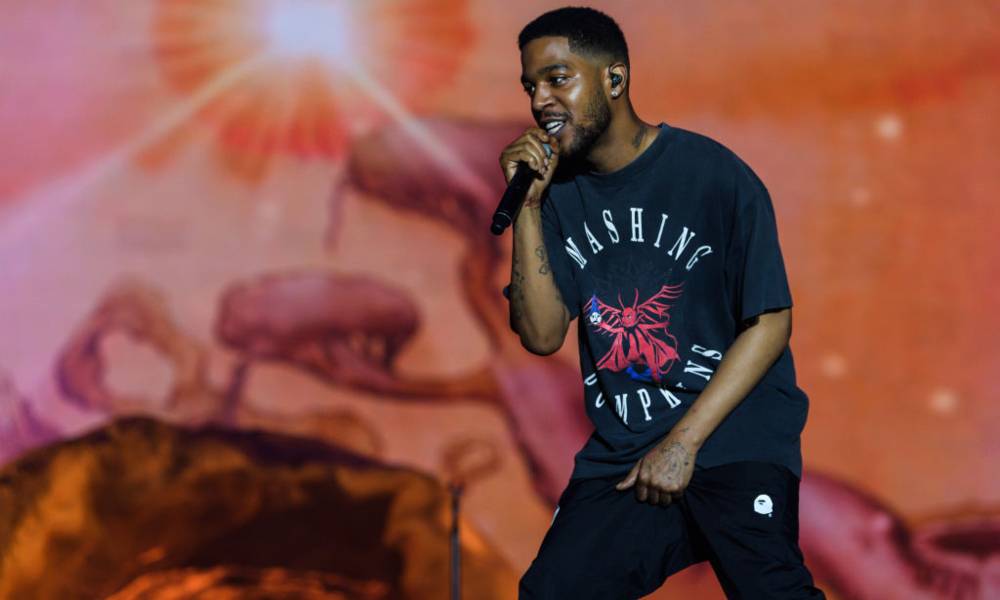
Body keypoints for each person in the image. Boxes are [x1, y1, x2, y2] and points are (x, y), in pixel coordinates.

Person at [501, 7, 825, 599]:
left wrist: (683, 444)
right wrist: (526, 207)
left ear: (615, 81)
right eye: (531, 86)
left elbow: (771, 323)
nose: (541, 100)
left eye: (558, 78)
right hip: (624, 452)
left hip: (732, 437)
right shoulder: (554, 197)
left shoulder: (713, 176)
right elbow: (542, 334)